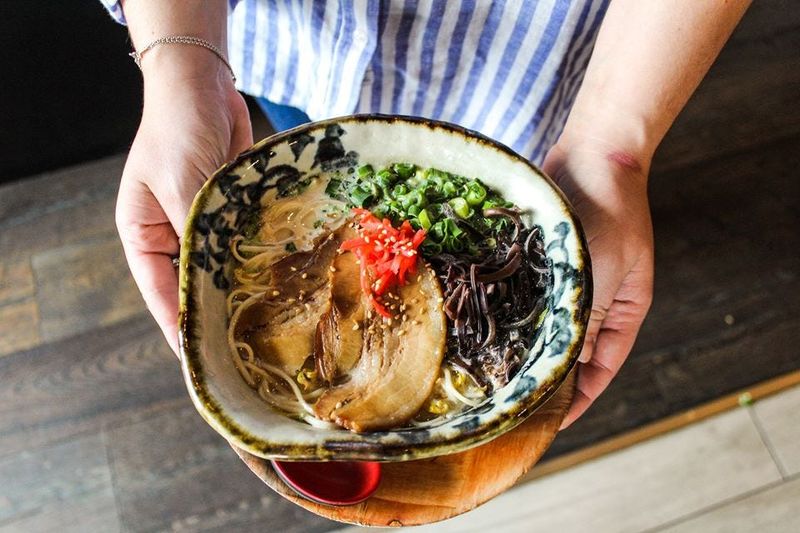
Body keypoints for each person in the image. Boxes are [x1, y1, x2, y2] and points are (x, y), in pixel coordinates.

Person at [102, 0, 750, 428]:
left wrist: (610, 154)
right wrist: (183, 67)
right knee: (316, 171)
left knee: (512, 225)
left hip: (539, 72)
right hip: (279, 32)